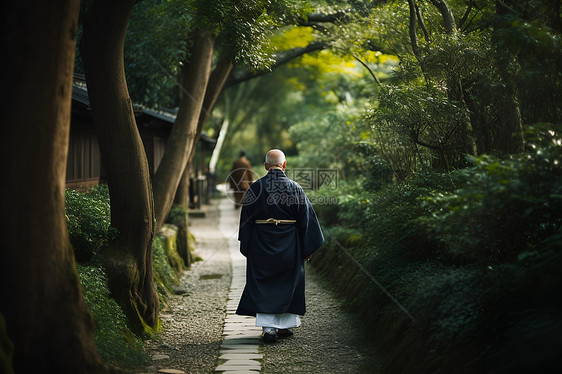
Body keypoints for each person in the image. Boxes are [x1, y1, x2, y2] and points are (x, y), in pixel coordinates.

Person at [236, 149, 324, 343]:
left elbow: (246, 221)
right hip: (289, 244)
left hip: (261, 243)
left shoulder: (256, 188)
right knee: (288, 281)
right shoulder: (295, 187)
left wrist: (248, 245)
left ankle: (269, 329)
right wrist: (307, 247)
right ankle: (284, 327)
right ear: (284, 165)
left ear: (266, 166)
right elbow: (306, 220)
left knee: (264, 283)